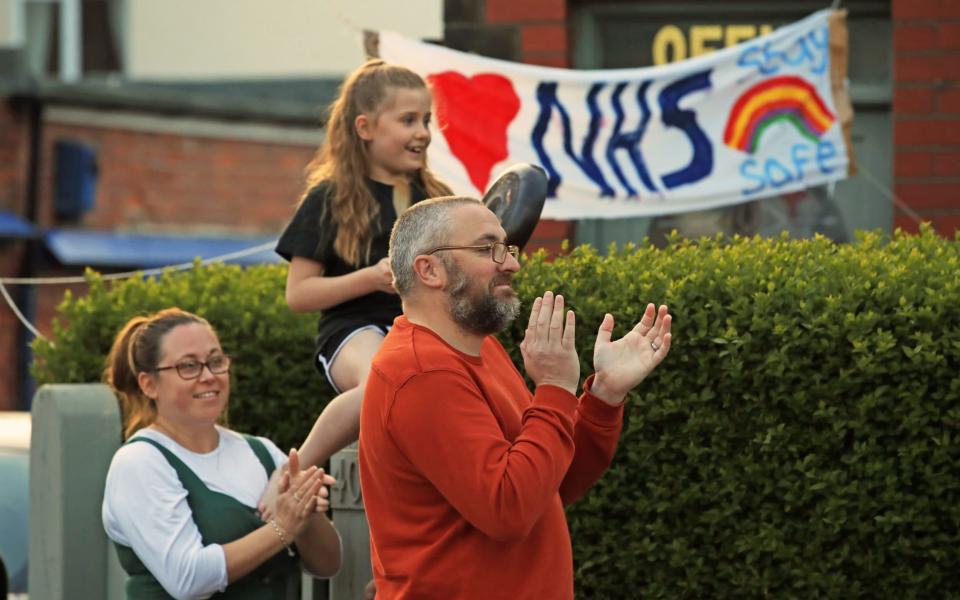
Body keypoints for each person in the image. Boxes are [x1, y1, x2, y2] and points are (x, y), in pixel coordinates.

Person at [359, 197, 673, 599]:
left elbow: (549, 485)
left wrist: (604, 396)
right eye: (488, 248)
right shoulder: (421, 371)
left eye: (507, 248)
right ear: (429, 269)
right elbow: (509, 510)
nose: (511, 263)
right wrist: (556, 388)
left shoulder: (478, 349)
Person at [274, 59, 452, 472]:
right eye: (408, 120)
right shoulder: (329, 198)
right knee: (383, 381)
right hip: (353, 330)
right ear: (365, 128)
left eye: (426, 120)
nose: (423, 132)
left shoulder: (438, 196)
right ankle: (290, 474)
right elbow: (299, 294)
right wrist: (371, 278)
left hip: (425, 333)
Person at [101, 308, 342, 599]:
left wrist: (305, 508)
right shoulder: (140, 462)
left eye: (216, 361)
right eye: (188, 366)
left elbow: (328, 565)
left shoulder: (260, 451)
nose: (208, 376)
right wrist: (283, 527)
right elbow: (188, 578)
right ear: (149, 384)